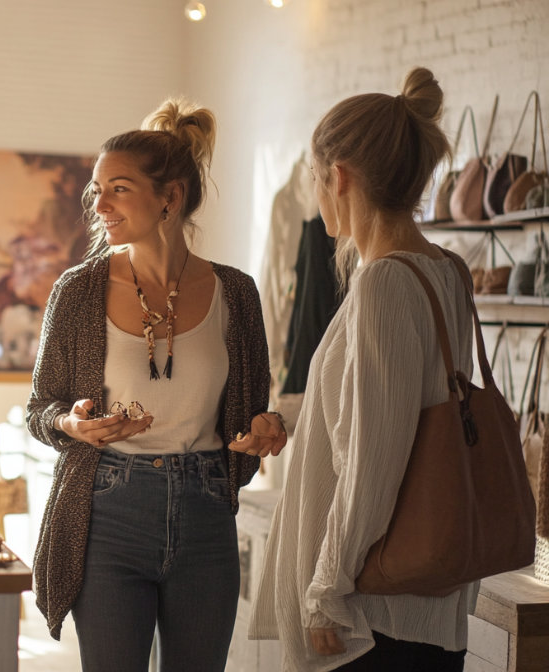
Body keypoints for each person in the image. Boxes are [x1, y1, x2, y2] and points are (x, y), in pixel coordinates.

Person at [26, 98, 286, 671]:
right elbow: (38, 407)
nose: (99, 204)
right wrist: (70, 423)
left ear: (170, 196)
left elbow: (250, 417)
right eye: (97, 190)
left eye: (118, 188)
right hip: (107, 510)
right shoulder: (77, 291)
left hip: (206, 510)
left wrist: (264, 430)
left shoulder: (236, 294)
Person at [248, 67, 471, 671]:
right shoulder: (445, 270)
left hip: (373, 610)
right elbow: (395, 408)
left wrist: (325, 593)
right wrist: (287, 416)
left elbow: (373, 456)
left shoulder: (384, 283)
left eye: (318, 181)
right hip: (421, 593)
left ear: (337, 178)